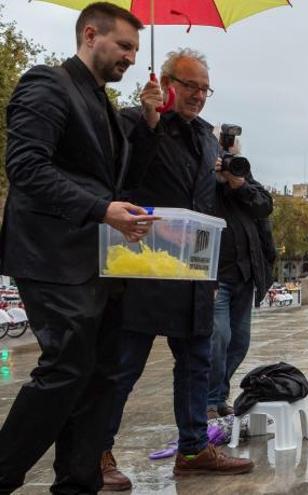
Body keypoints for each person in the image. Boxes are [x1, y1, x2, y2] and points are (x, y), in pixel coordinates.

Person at [0, 3, 158, 493]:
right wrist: (100, 209)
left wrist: (149, 120)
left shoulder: (104, 104)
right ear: (91, 34)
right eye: (124, 45)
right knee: (66, 368)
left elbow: (113, 173)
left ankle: (77, 484)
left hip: (98, 260)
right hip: (52, 255)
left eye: (135, 48)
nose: (131, 57)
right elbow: (26, 167)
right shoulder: (46, 83)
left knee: (102, 376)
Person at [101, 49, 254, 490]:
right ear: (166, 82)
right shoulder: (133, 121)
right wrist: (149, 123)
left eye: (205, 88)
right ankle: (97, 451)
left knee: (195, 364)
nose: (199, 95)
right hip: (143, 264)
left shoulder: (207, 139)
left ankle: (193, 448)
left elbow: (205, 202)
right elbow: (122, 179)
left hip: (191, 269)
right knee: (123, 368)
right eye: (190, 85)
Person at [207, 126, 274, 419]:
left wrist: (238, 182)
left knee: (239, 341)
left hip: (245, 275)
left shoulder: (243, 178)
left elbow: (264, 206)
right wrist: (213, 176)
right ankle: (208, 401)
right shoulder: (204, 177)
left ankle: (219, 396)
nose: (227, 157)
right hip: (216, 275)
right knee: (217, 338)